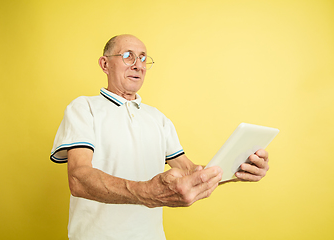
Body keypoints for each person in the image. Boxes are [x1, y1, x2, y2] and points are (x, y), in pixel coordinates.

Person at [50, 34, 270, 240]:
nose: (138, 64)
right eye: (128, 56)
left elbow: (190, 171)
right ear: (105, 64)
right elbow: (78, 178)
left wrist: (236, 169)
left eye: (143, 58)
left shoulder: (158, 118)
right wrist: (145, 191)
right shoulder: (83, 107)